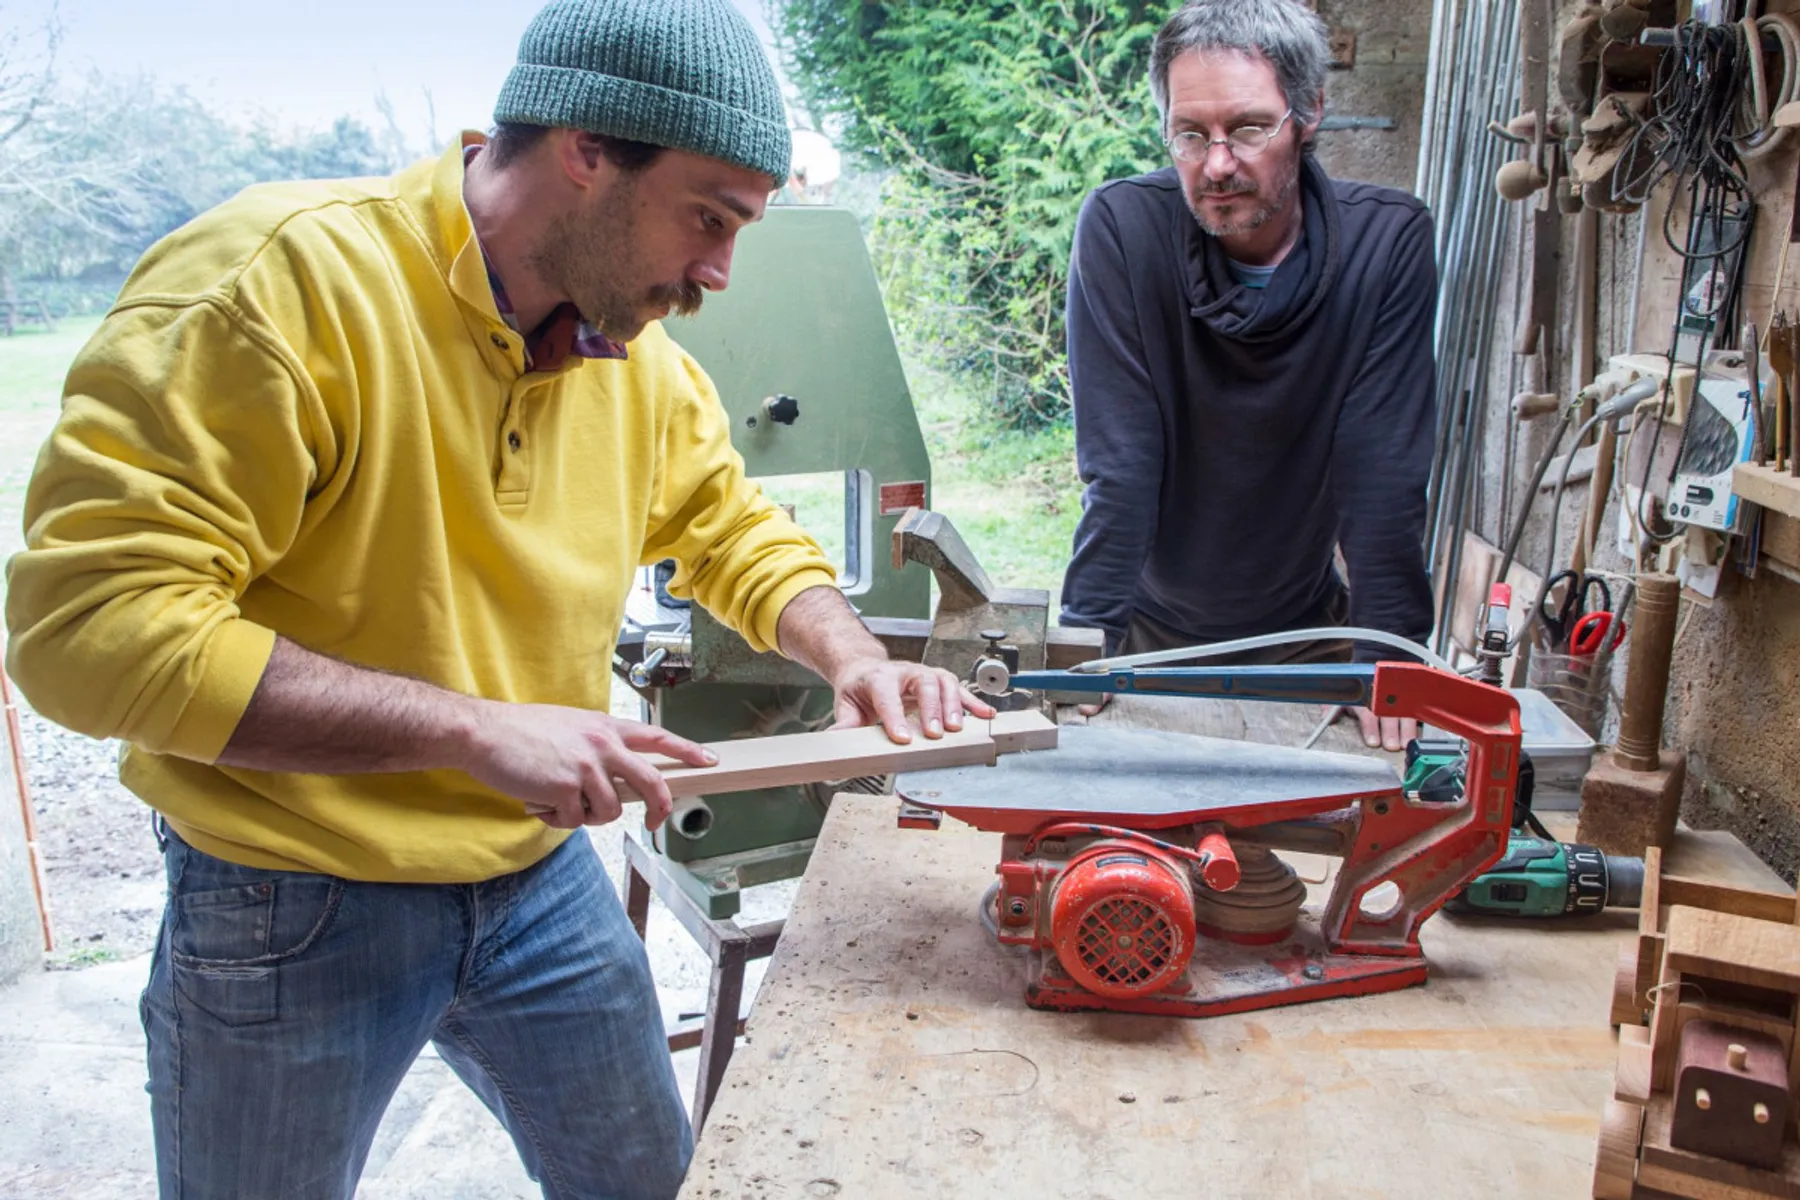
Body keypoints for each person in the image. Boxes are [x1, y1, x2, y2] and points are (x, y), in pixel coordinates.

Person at [2, 1, 988, 1196]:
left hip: (534, 884)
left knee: (646, 1180)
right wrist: (475, 729)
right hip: (287, 895)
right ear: (587, 148)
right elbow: (89, 634)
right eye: (708, 218)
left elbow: (729, 529)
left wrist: (849, 656)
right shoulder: (278, 291)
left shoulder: (637, 363)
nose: (718, 274)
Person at [1058, 0, 1438, 750]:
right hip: (1147, 626)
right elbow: (1123, 462)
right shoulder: (1123, 231)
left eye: (1249, 128)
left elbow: (1382, 469)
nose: (1218, 163)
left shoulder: (1387, 243)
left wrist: (1390, 651)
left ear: (1310, 112)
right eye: (1190, 135)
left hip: (1307, 631)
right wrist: (1085, 637)